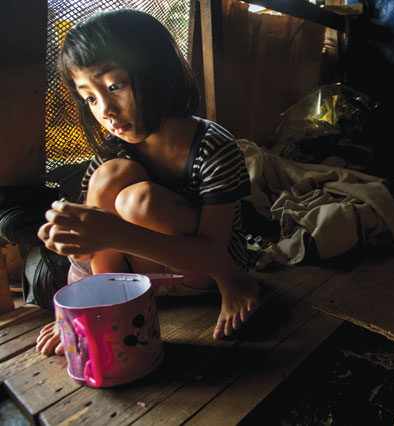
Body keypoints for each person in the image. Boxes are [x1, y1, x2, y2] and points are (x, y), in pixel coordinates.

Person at [35, 9, 259, 355]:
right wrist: (72, 240)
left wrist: (112, 232)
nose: (105, 110)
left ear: (160, 74)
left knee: (139, 202)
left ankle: (236, 284)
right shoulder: (111, 152)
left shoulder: (213, 146)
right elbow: (93, 250)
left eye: (115, 86)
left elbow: (213, 251)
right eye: (90, 98)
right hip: (143, 283)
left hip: (209, 275)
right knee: (111, 176)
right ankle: (103, 303)